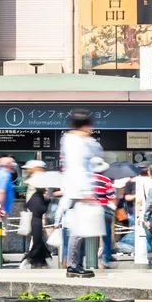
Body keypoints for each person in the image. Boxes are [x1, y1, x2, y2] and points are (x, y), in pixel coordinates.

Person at [59, 111, 104, 278]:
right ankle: (73, 265)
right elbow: (77, 167)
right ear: (85, 125)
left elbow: (97, 152)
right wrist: (84, 191)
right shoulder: (74, 142)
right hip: (79, 191)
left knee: (81, 230)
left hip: (79, 189)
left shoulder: (75, 140)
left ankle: (76, 263)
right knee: (78, 231)